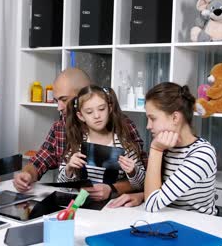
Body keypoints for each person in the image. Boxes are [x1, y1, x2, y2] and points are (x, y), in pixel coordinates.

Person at [13, 68, 146, 200]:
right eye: (56, 100)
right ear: (80, 115)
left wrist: (113, 189)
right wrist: (27, 174)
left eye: (64, 99)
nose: (59, 107)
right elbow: (41, 161)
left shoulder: (123, 127)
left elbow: (144, 176)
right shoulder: (61, 127)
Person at [109, 82, 217, 215]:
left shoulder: (202, 154)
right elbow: (151, 188)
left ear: (175, 117)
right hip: (168, 221)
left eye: (152, 118)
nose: (148, 126)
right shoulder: (167, 146)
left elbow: (152, 203)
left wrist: (156, 150)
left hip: (198, 228)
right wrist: (135, 178)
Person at [57, 85, 145, 200]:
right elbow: (62, 187)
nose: (97, 116)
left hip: (114, 209)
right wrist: (69, 168)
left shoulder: (125, 146)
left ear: (110, 108)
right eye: (89, 112)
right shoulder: (76, 147)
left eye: (102, 109)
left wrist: (133, 171)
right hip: (83, 208)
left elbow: (141, 185)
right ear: (80, 116)